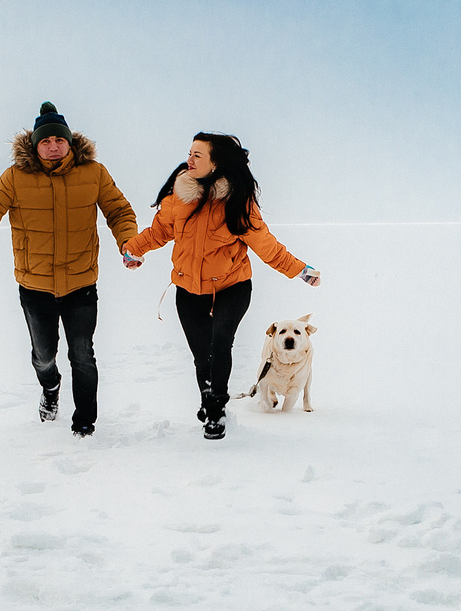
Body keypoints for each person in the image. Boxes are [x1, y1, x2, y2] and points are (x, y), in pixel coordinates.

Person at [123, 133, 320, 440]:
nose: (189, 160)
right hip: (188, 291)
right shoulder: (179, 196)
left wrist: (300, 270)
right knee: (202, 355)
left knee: (219, 344)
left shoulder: (237, 203)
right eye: (190, 153)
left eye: (197, 155)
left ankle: (215, 409)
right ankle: (208, 398)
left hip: (231, 289)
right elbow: (159, 231)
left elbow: (267, 247)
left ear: (215, 163)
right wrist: (133, 249)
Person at [0, 102, 138, 437]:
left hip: (81, 283)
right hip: (35, 286)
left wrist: (128, 243)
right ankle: (51, 386)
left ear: (69, 142)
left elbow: (119, 211)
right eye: (46, 141)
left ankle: (84, 425)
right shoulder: (15, 177)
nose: (53, 146)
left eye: (59, 140)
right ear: (35, 145)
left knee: (82, 355)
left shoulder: (94, 173)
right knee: (44, 357)